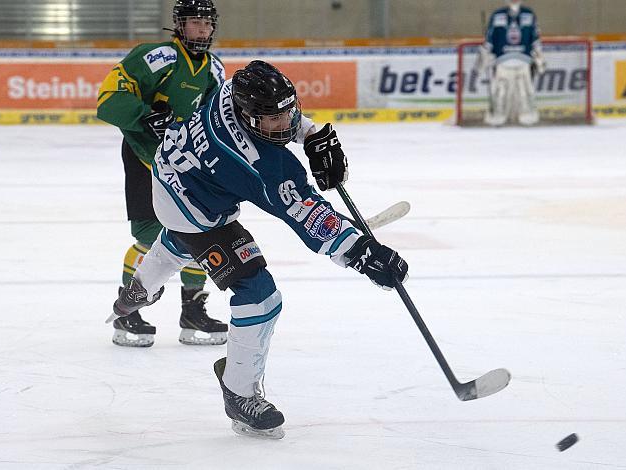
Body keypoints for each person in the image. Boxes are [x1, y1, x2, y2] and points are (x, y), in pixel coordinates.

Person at [108, 60, 408, 439]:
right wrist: (362, 253)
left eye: (287, 114)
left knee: (180, 242)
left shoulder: (236, 88)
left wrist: (312, 135)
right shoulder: (260, 166)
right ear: (250, 117)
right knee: (260, 297)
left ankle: (137, 292)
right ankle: (238, 392)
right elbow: (309, 216)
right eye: (272, 121)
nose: (283, 124)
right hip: (191, 207)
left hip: (177, 170)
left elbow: (279, 112)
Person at [97, 0, 229, 347]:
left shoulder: (215, 70)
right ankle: (127, 315)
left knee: (199, 232)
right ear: (179, 25)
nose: (202, 29)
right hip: (144, 160)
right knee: (150, 239)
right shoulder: (157, 57)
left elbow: (216, 121)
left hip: (186, 166)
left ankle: (193, 312)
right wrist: (144, 114)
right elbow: (108, 99)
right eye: (194, 22)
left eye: (207, 23)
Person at [475, 0, 545, 126]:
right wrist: (484, 57)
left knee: (525, 91)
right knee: (500, 91)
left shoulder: (529, 14)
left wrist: (540, 59)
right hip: (502, 60)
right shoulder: (497, 15)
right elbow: (489, 41)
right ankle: (498, 115)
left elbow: (535, 40)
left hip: (524, 60)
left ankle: (526, 115)